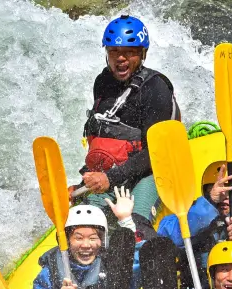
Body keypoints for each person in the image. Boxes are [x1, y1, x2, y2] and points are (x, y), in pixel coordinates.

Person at [72, 14, 181, 228]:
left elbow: (157, 153)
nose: (120, 59)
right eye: (114, 51)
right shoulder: (103, 82)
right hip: (114, 173)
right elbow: (104, 138)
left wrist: (111, 178)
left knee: (135, 225)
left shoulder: (156, 89)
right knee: (84, 225)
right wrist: (84, 179)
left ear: (142, 54)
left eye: (129, 52)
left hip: (150, 173)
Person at [26, 205, 108, 289]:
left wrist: (126, 221)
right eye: (79, 238)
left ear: (102, 241)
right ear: (67, 241)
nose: (86, 245)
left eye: (93, 238)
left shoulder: (112, 264)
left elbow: (136, 272)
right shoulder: (49, 273)